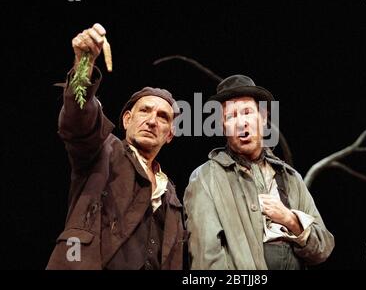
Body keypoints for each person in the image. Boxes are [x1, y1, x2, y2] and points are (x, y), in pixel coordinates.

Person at [47, 23, 184, 270]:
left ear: (170, 135)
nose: (152, 121)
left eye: (163, 117)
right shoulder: (102, 150)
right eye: (144, 111)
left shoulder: (171, 195)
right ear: (127, 120)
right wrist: (83, 67)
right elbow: (78, 119)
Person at [184, 75, 335, 269]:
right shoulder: (205, 178)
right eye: (231, 117)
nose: (241, 123)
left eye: (247, 112)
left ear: (263, 117)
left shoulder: (290, 178)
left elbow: (323, 247)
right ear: (223, 127)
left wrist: (289, 219)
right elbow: (206, 257)